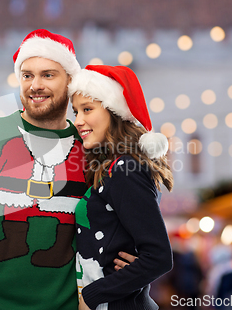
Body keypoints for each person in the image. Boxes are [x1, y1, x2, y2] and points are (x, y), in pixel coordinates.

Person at [0, 30, 134, 310]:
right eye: (27, 75)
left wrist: (136, 257)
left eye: (48, 75)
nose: (35, 85)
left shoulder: (92, 146)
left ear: (70, 81)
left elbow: (123, 219)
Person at [69, 65, 174, 310]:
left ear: (114, 111)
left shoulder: (124, 169)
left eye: (87, 109)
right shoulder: (108, 167)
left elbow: (158, 257)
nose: (78, 121)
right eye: (76, 111)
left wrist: (92, 296)